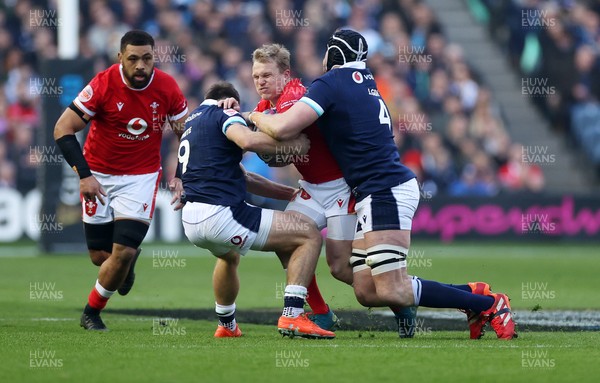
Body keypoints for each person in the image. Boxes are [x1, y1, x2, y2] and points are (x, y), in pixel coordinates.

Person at [249, 30, 517, 340]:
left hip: (384, 190)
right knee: (367, 290)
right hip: (371, 192)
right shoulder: (366, 82)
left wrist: (252, 116)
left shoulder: (331, 83)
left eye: (327, 51)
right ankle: (472, 294)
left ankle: (489, 303)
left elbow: (282, 127)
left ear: (335, 55)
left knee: (392, 287)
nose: (322, 58)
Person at [225, 43, 417, 336]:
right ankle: (320, 313)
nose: (260, 82)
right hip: (312, 189)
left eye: (267, 75)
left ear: (285, 75)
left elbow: (283, 138)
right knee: (285, 241)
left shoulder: (294, 96)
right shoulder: (266, 108)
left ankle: (401, 300)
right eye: (255, 77)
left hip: (341, 187)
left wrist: (248, 122)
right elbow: (279, 152)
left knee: (340, 268)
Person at [54, 30, 188, 331]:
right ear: (120, 59)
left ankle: (92, 311)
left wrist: (181, 175)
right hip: (98, 174)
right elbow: (62, 128)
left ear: (154, 57)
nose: (141, 65)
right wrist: (85, 176)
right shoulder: (103, 84)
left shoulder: (167, 88)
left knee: (122, 251)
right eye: (133, 59)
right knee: (101, 257)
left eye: (147, 58)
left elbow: (186, 134)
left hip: (141, 176)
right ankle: (125, 264)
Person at [179, 81, 335, 339]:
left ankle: (227, 325)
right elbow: (248, 140)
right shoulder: (225, 113)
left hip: (192, 220)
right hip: (222, 215)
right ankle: (293, 315)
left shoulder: (193, 123)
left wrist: (288, 193)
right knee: (308, 234)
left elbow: (246, 179)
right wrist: (293, 146)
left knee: (228, 257)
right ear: (231, 102)